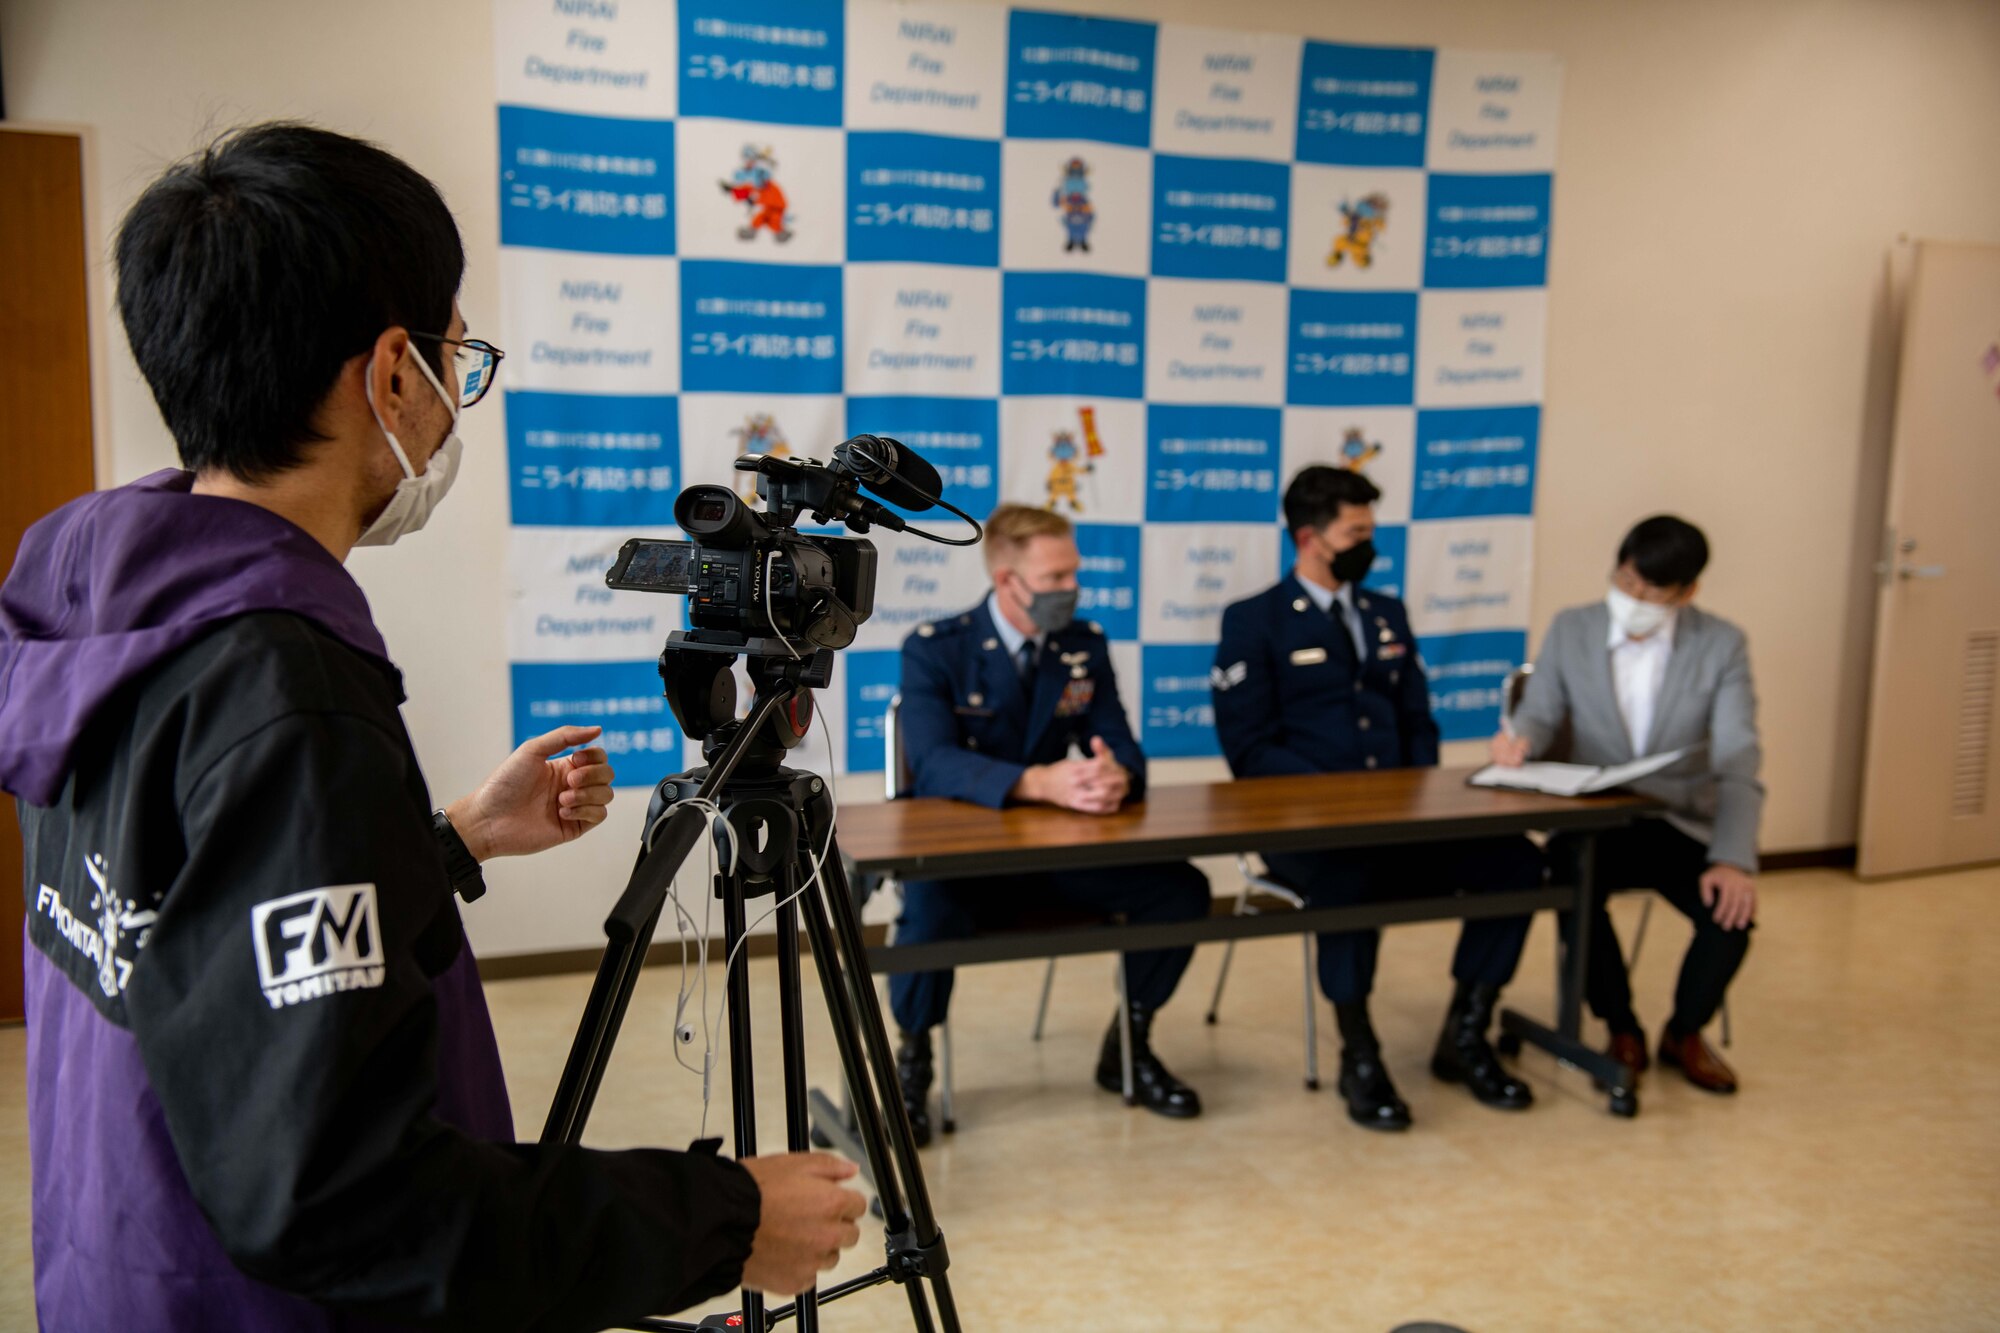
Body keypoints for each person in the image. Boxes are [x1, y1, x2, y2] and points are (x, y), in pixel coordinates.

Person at [0, 123, 864, 1333]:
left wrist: (445, 840)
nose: (458, 397)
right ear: (392, 371)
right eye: (460, 357)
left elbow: (190, 939)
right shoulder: (281, 691)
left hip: (124, 1259)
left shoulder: (96, 602)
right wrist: (726, 1216)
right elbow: (343, 1197)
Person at [1211, 466, 1543, 1132]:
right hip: (1308, 829)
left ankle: (1467, 1032)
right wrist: (1341, 800)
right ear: (1310, 537)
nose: (1370, 542)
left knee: (1517, 864)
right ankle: (1358, 1051)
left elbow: (1418, 720)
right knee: (1349, 879)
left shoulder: (1385, 611)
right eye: (1355, 531)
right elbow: (1248, 748)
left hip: (1405, 819)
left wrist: (1413, 794)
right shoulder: (1255, 620)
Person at [890, 504, 1210, 1140]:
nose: (1073, 589)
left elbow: (1121, 743)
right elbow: (930, 764)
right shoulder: (937, 649)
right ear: (1008, 580)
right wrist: (1038, 782)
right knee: (927, 910)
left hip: (1051, 852)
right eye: (1057, 578)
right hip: (964, 860)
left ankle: (1129, 1044)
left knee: (1181, 890)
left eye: (1075, 575)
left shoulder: (1081, 646)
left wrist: (1116, 773)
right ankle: (913, 1063)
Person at [1491, 514, 1760, 1093]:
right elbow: (1541, 709)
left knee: (1730, 915)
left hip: (1677, 820)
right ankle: (1620, 1028)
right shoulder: (1573, 628)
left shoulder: (1721, 645)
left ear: (1687, 592)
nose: (1633, 598)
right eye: (1627, 581)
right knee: (1573, 886)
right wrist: (1522, 739)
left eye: (1651, 591)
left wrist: (1733, 858)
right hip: (1595, 816)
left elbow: (1738, 755)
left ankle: (1684, 1032)